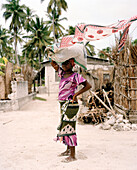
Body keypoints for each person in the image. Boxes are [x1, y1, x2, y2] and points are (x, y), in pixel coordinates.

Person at [51, 58, 91, 162]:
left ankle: (73, 155)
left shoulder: (76, 76)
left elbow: (88, 85)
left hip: (70, 104)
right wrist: (53, 54)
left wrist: (76, 94)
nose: (64, 65)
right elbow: (53, 63)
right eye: (63, 63)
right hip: (63, 104)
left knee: (69, 127)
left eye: (66, 63)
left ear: (72, 64)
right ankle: (68, 150)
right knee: (64, 125)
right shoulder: (62, 74)